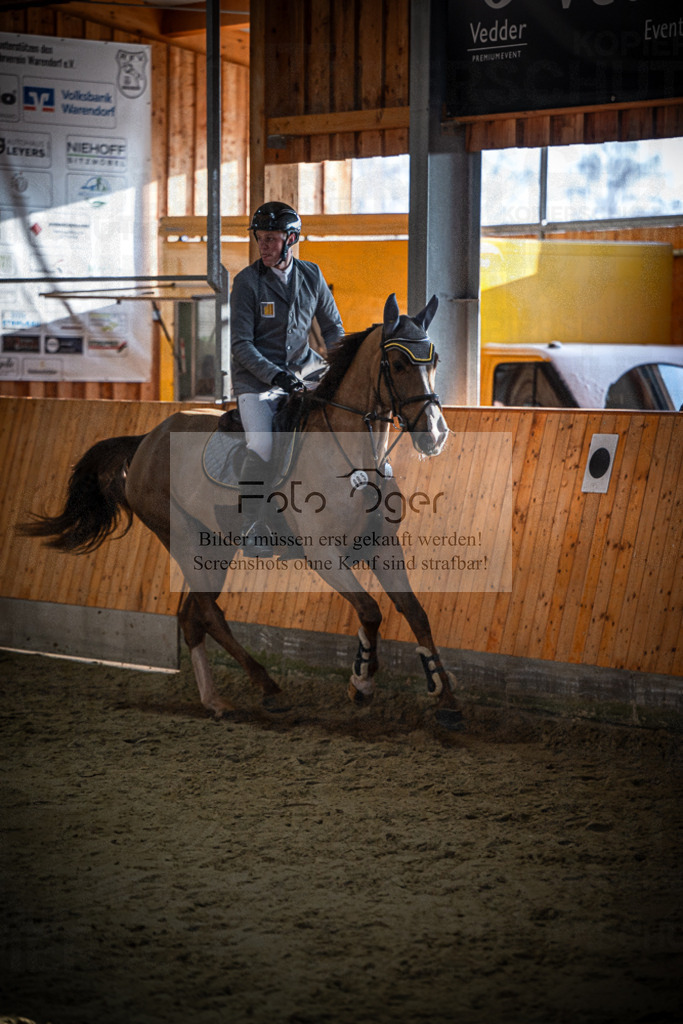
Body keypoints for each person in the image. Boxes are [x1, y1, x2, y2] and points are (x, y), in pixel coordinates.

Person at [229, 201, 344, 553]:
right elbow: (241, 345)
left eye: (271, 239)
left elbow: (333, 329)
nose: (263, 246)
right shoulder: (247, 282)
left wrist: (341, 367)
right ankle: (252, 525)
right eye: (260, 239)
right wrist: (276, 376)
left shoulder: (312, 275)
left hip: (305, 369)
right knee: (262, 444)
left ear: (290, 239)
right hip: (257, 380)